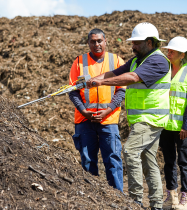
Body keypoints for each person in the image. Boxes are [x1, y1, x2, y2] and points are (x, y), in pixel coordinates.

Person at [87, 22, 171, 210]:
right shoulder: (136, 60)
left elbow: (132, 78)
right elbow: (114, 72)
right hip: (142, 119)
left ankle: (135, 202)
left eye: (136, 43)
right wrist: (91, 80)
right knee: (149, 162)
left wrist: (101, 83)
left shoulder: (158, 60)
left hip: (150, 119)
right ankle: (157, 205)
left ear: (149, 42)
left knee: (130, 151)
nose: (132, 46)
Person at [69, 28, 125, 192]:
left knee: (113, 160)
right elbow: (72, 91)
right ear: (88, 43)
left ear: (105, 41)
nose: (96, 44)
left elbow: (121, 90)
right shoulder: (79, 62)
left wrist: (108, 110)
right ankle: (91, 200)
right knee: (87, 162)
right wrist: (83, 111)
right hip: (85, 120)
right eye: (93, 41)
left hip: (109, 120)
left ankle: (118, 198)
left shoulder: (116, 61)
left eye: (99, 41)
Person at [159, 36, 187, 210]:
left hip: (183, 128)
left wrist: (185, 125)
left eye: (172, 51)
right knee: (168, 162)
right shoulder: (165, 70)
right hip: (165, 126)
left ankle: (186, 200)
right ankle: (171, 197)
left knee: (184, 163)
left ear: (182, 54)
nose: (168, 53)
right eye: (168, 50)